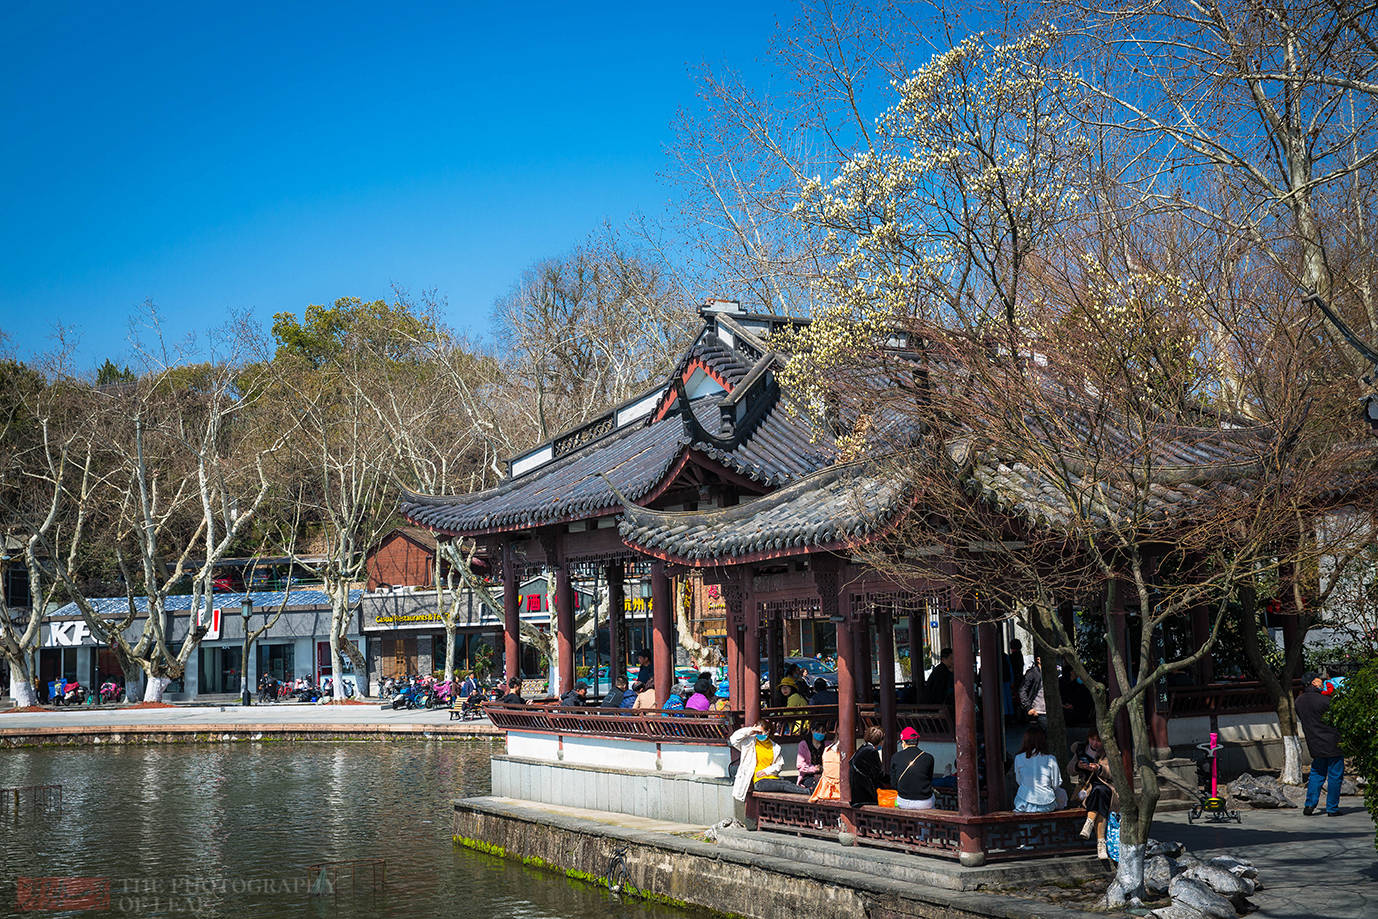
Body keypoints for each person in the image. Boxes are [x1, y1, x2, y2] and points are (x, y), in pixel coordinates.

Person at [1297, 670, 1344, 816]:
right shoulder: (1326, 700)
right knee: (1335, 776)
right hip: (1332, 742)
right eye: (1319, 679)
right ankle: (1332, 808)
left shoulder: (1298, 701)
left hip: (1314, 742)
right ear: (1313, 682)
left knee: (1316, 774)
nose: (1322, 681)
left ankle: (1309, 805)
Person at [728, 722, 808, 801]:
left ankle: (806, 791)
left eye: (761, 732)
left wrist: (766, 771)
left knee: (786, 783)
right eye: (757, 732)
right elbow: (733, 739)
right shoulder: (749, 743)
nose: (759, 734)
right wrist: (751, 730)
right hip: (759, 781)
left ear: (767, 731)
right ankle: (808, 792)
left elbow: (779, 764)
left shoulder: (775, 747)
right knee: (784, 785)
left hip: (774, 778)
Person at [1070, 728, 1115, 858]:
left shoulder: (1110, 751)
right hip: (1087, 788)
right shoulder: (1080, 749)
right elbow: (1070, 769)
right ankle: (1101, 844)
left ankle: (1089, 823)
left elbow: (1115, 773)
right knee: (1098, 796)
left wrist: (1099, 768)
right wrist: (1079, 766)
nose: (1094, 743)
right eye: (1092, 739)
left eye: (1098, 740)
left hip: (1107, 787)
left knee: (1100, 791)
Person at [1013, 725, 1062, 813]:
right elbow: (1056, 784)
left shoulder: (1018, 758)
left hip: (1023, 803)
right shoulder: (1051, 759)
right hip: (1047, 803)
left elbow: (1019, 781)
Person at [890, 726, 936, 809]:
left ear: (903, 741)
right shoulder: (929, 758)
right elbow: (929, 779)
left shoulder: (895, 757)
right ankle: (926, 822)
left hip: (902, 800)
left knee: (897, 801)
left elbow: (893, 783)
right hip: (924, 802)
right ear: (917, 742)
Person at [849, 726, 888, 805]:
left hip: (856, 793)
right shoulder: (872, 752)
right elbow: (878, 774)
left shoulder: (862, 748)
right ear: (880, 741)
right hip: (865, 795)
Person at [796, 724, 828, 791]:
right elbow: (800, 766)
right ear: (812, 731)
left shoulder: (827, 745)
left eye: (822, 732)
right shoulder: (804, 745)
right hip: (807, 776)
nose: (820, 734)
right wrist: (814, 769)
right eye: (818, 731)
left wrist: (822, 769)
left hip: (825, 775)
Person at [1019, 655, 1046, 728]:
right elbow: (1022, 690)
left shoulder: (1050, 673)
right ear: (1038, 659)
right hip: (1037, 712)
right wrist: (1029, 708)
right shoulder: (1032, 673)